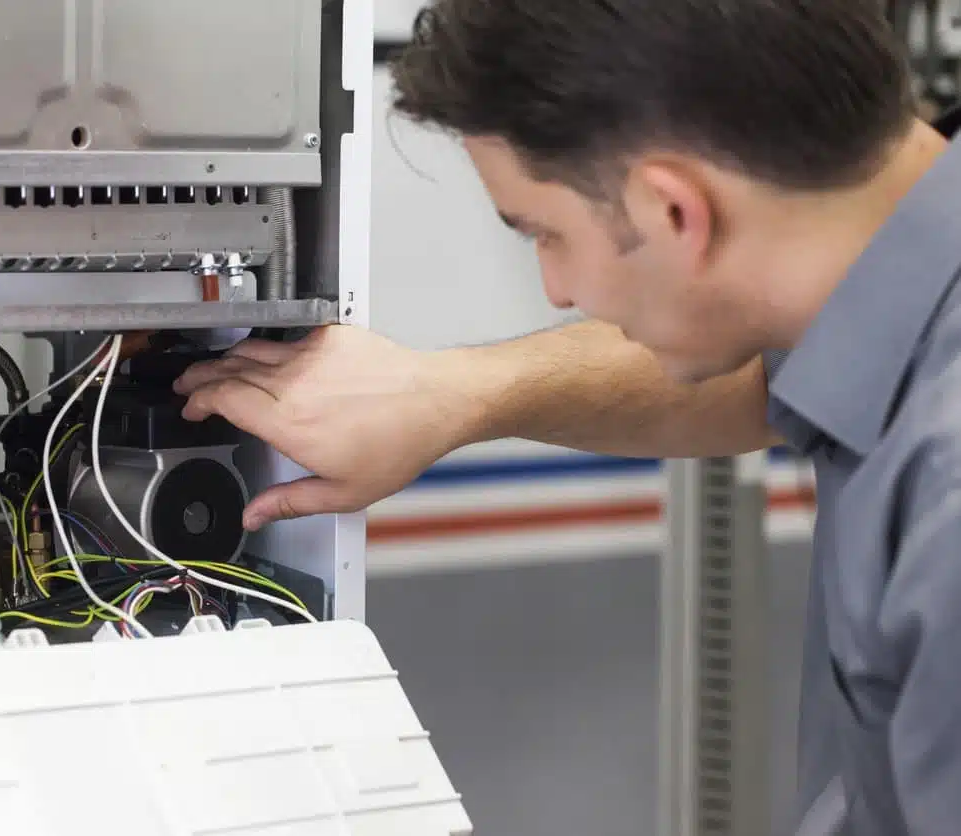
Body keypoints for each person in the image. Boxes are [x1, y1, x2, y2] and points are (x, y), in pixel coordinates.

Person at [175, 1, 961, 834]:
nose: (557, 291)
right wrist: (453, 397)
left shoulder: (944, 501)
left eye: (542, 234)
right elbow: (766, 362)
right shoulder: (879, 259)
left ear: (672, 213)